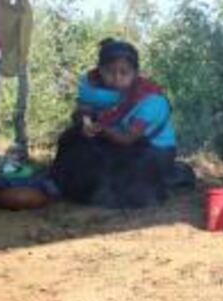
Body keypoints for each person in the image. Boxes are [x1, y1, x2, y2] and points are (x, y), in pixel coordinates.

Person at [51, 39, 191, 209]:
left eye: (124, 73)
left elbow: (127, 139)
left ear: (135, 73)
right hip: (117, 142)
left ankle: (173, 175)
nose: (116, 78)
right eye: (110, 72)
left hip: (152, 151)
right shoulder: (98, 90)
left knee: (133, 174)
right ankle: (66, 184)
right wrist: (84, 121)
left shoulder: (151, 101)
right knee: (71, 138)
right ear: (100, 70)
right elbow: (82, 110)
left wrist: (100, 128)